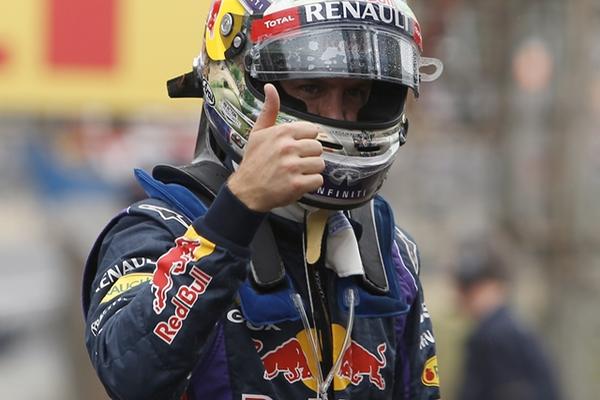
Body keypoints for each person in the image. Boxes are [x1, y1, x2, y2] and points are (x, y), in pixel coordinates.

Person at [82, 0, 443, 399]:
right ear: (237, 78)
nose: (337, 114)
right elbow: (129, 374)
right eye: (310, 87)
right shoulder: (156, 230)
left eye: (356, 92)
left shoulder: (390, 253)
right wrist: (235, 214)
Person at [453, 240, 561, 400]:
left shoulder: (497, 335)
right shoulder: (507, 328)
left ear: (493, 286)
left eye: (470, 291)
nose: (462, 299)